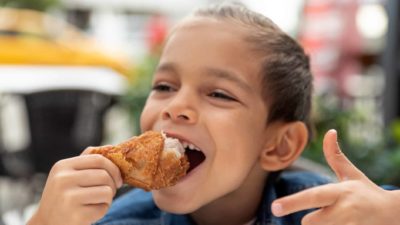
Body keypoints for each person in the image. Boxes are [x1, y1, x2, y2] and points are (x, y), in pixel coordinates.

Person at [27, 2, 400, 225]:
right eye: (164, 87)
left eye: (219, 94)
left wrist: (390, 211)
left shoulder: (330, 214)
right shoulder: (114, 220)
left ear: (279, 145)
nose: (175, 106)